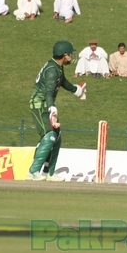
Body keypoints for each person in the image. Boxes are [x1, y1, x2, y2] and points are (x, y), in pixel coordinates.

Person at [26, 40, 87, 181]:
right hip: (39, 105)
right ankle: (32, 172)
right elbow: (48, 92)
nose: (71, 56)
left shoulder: (56, 66)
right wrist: (52, 108)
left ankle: (49, 173)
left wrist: (76, 90)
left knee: (57, 139)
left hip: (46, 104)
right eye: (70, 54)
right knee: (50, 137)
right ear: (64, 55)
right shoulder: (52, 70)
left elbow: (63, 81)